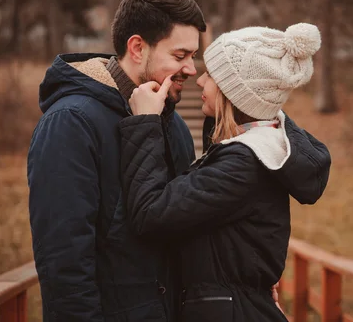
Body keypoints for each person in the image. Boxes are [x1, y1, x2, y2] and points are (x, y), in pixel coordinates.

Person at [120, 23, 332, 321]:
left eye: (211, 75)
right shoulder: (252, 153)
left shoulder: (242, 164)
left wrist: (144, 123)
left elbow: (151, 213)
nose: (199, 81)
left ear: (233, 93)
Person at [27, 0, 205, 322]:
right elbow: (64, 262)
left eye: (193, 56)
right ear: (137, 48)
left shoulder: (175, 124)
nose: (191, 70)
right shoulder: (71, 123)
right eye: (180, 56)